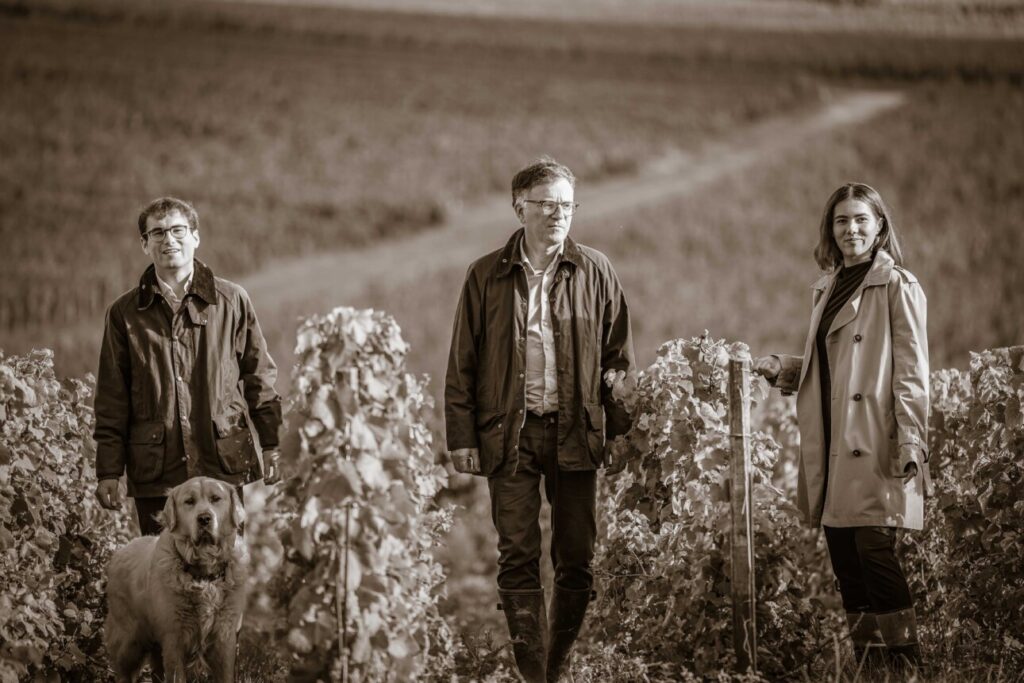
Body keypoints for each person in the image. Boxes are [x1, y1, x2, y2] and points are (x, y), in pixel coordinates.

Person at [445, 157, 635, 682]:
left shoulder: (596, 270)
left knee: (577, 555)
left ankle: (558, 665)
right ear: (519, 207)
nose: (558, 215)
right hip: (510, 434)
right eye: (546, 204)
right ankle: (533, 673)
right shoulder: (486, 274)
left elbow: (619, 358)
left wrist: (618, 429)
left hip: (576, 429)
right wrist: (461, 436)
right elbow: (464, 359)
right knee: (517, 555)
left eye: (567, 205)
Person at [753, 183, 929, 674]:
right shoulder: (826, 286)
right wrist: (782, 369)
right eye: (841, 221)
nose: (850, 229)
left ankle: (908, 665)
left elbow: (912, 372)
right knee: (845, 558)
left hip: (874, 438)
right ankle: (870, 666)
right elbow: (824, 364)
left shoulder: (898, 286)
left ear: (879, 227)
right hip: (830, 438)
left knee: (874, 548)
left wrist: (912, 439)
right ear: (830, 230)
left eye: (860, 220)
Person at [93, 197, 282, 536]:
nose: (169, 240)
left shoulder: (232, 300)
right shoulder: (123, 314)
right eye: (158, 233)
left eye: (179, 230)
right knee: (163, 574)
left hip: (220, 465)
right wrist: (109, 470)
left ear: (196, 237)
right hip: (157, 473)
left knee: (226, 572)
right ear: (144, 243)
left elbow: (259, 377)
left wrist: (272, 443)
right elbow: (112, 397)